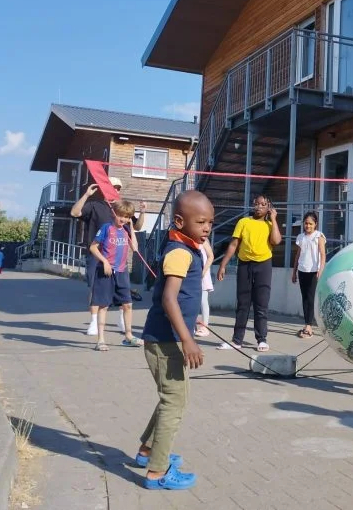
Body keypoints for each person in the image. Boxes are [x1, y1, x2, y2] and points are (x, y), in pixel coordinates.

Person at [135, 190, 213, 490]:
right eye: (201, 221)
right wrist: (188, 340)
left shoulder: (187, 246)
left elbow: (178, 297)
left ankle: (147, 452)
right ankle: (157, 472)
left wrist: (192, 317)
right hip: (166, 341)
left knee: (171, 398)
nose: (207, 228)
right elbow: (168, 298)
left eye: (210, 222)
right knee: (174, 402)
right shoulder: (180, 251)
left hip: (168, 338)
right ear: (179, 221)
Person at [71, 177, 147, 336]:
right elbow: (75, 212)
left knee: (122, 290)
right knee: (95, 288)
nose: (116, 190)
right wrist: (86, 195)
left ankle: (122, 320)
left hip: (118, 257)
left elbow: (137, 227)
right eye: (114, 187)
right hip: (97, 255)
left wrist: (142, 212)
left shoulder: (121, 210)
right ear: (105, 188)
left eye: (118, 188)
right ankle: (93, 321)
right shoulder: (94, 206)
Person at [216, 194, 282, 351]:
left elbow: (276, 241)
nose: (259, 207)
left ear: (268, 208)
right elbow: (233, 245)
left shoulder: (269, 225)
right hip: (245, 265)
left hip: (264, 265)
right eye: (257, 203)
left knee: (261, 304)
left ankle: (262, 339)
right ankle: (237, 340)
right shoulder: (243, 222)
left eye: (263, 204)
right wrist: (222, 265)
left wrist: (273, 219)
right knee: (243, 303)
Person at [88, 200, 143, 352]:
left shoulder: (126, 230)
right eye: (121, 216)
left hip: (122, 271)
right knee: (104, 305)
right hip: (106, 271)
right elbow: (93, 247)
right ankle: (100, 340)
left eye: (127, 217)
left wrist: (131, 227)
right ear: (115, 214)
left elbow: (135, 248)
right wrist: (104, 261)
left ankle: (129, 336)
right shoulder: (106, 228)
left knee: (128, 305)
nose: (123, 219)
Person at [291, 211, 326, 338]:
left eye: (311, 224)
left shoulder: (319, 237)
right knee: (304, 297)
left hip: (313, 272)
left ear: (315, 224)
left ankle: (309, 326)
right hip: (302, 270)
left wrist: (320, 270)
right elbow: (298, 255)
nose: (308, 226)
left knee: (311, 298)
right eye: (306, 223)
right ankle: (307, 323)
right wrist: (294, 272)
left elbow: (322, 255)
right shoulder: (301, 237)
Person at [194, 240, 214, 337]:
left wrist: (203, 271)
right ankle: (192, 325)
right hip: (191, 274)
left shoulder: (203, 240)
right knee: (191, 301)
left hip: (202, 275)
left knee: (203, 301)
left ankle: (204, 326)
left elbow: (211, 256)